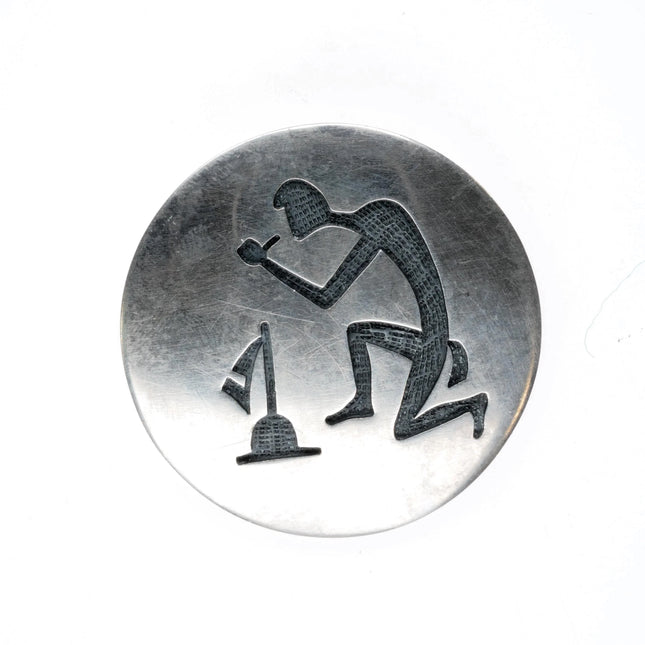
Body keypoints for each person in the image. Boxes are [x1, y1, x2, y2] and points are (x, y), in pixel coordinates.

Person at [237, 179, 487, 440]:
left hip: (431, 342)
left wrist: (266, 263)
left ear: (307, 209)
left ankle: (470, 403)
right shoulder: (371, 221)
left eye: (292, 215)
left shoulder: (380, 221)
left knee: (404, 428)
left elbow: (327, 296)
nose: (292, 227)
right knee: (357, 332)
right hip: (433, 336)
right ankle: (363, 400)